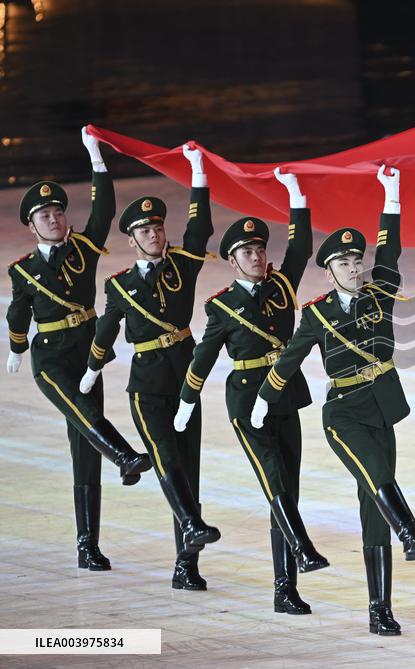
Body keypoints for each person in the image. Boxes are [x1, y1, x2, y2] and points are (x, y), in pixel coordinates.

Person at [252, 165, 415, 635]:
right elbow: (289, 360)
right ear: (329, 271)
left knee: (373, 503)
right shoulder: (316, 315)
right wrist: (263, 400)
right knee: (377, 475)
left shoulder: (380, 294)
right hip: (343, 414)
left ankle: (379, 610)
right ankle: (411, 530)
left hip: (382, 407)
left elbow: (390, 249)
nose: (354, 268)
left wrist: (392, 194)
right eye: (344, 263)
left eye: (357, 261)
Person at [174, 168, 327, 613]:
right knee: (273, 479)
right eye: (247, 252)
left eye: (260, 249)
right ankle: (302, 547)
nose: (257, 256)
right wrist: (186, 400)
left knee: (288, 489)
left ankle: (285, 589)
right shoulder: (221, 306)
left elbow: (300, 248)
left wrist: (296, 197)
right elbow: (203, 357)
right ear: (232, 260)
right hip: (245, 400)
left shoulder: (281, 285)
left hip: (284, 395)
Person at [6, 127, 151, 571]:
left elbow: (104, 210)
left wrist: (96, 158)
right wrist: (16, 349)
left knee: (85, 446)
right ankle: (125, 454)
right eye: (44, 215)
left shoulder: (84, 249)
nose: (53, 219)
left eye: (57, 212)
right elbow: (18, 314)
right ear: (31, 225)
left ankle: (88, 546)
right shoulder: (23, 270)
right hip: (50, 357)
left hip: (87, 354)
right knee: (86, 416)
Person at [81, 144, 221, 589]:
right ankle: (192, 525)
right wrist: (91, 370)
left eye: (158, 226)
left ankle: (186, 566)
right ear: (132, 239)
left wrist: (198, 172)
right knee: (165, 457)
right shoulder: (120, 285)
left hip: (184, 382)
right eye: (145, 229)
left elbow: (200, 227)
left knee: (188, 469)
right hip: (145, 386)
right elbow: (106, 331)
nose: (155, 234)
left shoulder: (182, 264)